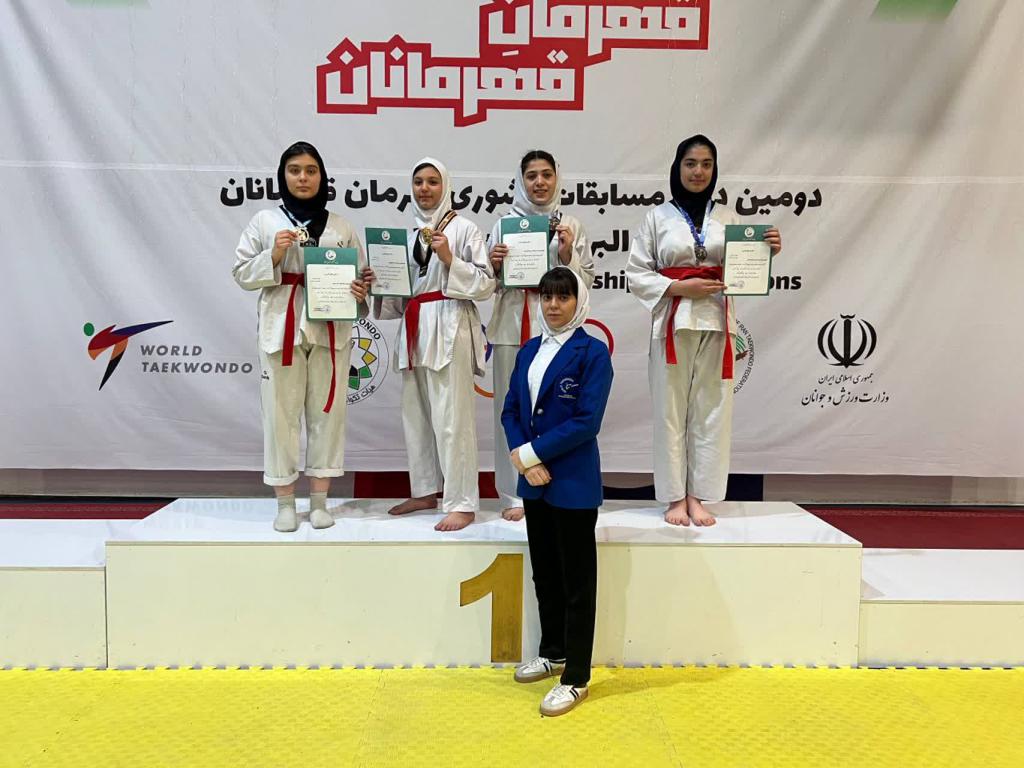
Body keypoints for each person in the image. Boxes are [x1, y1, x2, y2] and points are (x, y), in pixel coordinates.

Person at [626, 135, 782, 527]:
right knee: (669, 411)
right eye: (691, 163)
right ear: (677, 168)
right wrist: (680, 287)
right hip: (673, 321)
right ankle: (674, 497)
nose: (698, 172)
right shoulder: (657, 218)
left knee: (712, 410)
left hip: (715, 320)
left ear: (715, 170)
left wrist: (766, 253)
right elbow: (636, 273)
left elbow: (742, 269)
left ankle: (698, 495)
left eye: (706, 164)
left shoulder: (728, 217)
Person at [233, 141, 369, 532]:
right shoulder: (265, 222)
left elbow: (361, 281)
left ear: (322, 177)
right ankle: (285, 502)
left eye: (311, 170)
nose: (303, 178)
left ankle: (321, 501)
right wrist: (274, 256)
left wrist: (360, 291)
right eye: (294, 171)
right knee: (281, 416)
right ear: (283, 176)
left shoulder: (341, 226)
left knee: (328, 414)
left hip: (331, 328)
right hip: (282, 328)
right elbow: (241, 273)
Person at [501, 266, 613, 717]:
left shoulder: (593, 352)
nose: (552, 305)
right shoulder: (529, 350)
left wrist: (532, 454)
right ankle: (553, 652)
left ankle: (577, 677)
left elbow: (587, 422)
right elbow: (511, 411)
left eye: (563, 297)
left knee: (577, 582)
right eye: (546, 296)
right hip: (534, 483)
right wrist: (524, 460)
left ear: (578, 302)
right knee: (545, 574)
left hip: (572, 482)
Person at [371, 158, 495, 532]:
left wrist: (449, 258)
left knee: (452, 418)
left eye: (433, 181)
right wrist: (380, 283)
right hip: (415, 325)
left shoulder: (465, 229)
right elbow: (399, 299)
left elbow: (486, 284)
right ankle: (425, 490)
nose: (425, 188)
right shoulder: (409, 236)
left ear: (446, 186)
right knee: (417, 415)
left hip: (451, 322)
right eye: (419, 182)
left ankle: (462, 502)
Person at [487, 150, 594, 522]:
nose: (539, 182)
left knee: (555, 408)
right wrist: (494, 266)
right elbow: (484, 284)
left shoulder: (571, 225)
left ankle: (554, 483)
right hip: (513, 321)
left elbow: (586, 281)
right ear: (521, 181)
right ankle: (513, 492)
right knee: (511, 408)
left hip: (555, 325)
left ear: (557, 178)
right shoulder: (503, 225)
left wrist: (567, 255)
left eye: (546, 174)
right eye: (531, 175)